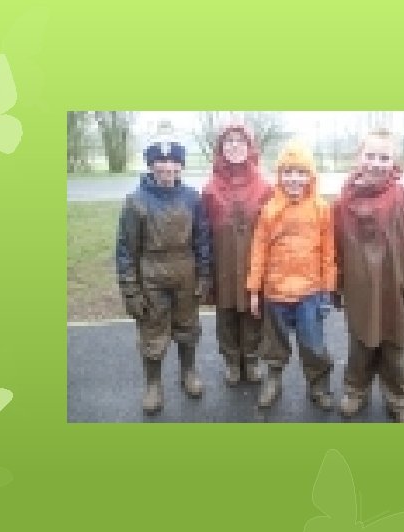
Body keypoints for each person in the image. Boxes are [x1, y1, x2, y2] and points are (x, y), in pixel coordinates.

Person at [332, 130, 404, 422]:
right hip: (358, 292)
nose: (376, 163)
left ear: (394, 161)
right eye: (370, 155)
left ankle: (399, 401)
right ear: (358, 157)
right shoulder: (342, 204)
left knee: (395, 349)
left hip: (394, 291)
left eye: (384, 157)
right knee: (360, 345)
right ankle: (356, 391)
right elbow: (334, 249)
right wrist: (334, 286)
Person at [116, 141, 212, 414]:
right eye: (161, 161)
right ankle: (153, 385)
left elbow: (202, 239)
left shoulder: (192, 198)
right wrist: (131, 291)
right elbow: (126, 251)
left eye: (173, 162)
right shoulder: (136, 201)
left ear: (181, 165)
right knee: (152, 331)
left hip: (185, 274)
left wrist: (204, 275)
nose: (167, 167)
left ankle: (188, 372)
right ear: (151, 165)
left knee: (188, 328)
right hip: (151, 276)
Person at [246, 141, 336, 410]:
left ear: (310, 176)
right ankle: (273, 380)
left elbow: (328, 252)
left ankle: (318, 385)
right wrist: (254, 290)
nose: (294, 179)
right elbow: (258, 251)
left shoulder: (321, 209)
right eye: (288, 172)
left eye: (300, 172)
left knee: (313, 345)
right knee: (274, 345)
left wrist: (327, 289)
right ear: (280, 176)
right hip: (275, 293)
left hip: (310, 293)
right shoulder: (269, 210)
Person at [202, 125, 273, 385]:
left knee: (253, 313)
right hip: (223, 264)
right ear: (220, 148)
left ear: (250, 146)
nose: (234, 145)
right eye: (228, 141)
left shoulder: (264, 187)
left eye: (240, 140)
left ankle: (251, 359)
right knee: (226, 315)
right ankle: (232, 361)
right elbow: (203, 231)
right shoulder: (210, 189)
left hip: (253, 262)